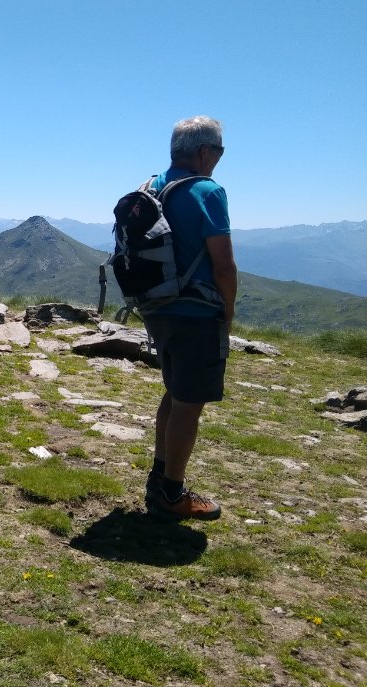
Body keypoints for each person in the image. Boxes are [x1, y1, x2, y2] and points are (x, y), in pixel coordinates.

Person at [143, 116, 238, 521]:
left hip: (155, 308)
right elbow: (223, 265)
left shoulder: (151, 185)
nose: (218, 160)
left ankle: (160, 477)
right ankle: (171, 494)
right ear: (204, 151)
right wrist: (228, 312)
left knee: (174, 392)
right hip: (196, 312)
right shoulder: (206, 191)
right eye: (219, 152)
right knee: (189, 403)